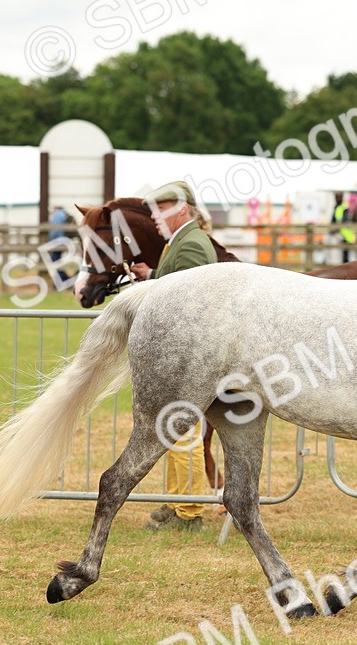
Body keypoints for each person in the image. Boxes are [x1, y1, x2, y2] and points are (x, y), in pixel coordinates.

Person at [136, 180, 219, 531]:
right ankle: (176, 502)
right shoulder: (182, 242)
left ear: (181, 210)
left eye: (160, 209)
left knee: (183, 433)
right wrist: (152, 277)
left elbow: (189, 302)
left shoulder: (193, 245)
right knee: (174, 430)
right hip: (181, 353)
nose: (154, 217)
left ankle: (189, 512)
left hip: (188, 354)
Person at [47, 205, 73, 283]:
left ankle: (63, 279)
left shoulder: (56, 215)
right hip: (61, 240)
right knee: (57, 260)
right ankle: (64, 278)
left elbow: (54, 231)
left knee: (55, 260)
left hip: (56, 240)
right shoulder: (63, 214)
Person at [333, 192, 355, 263]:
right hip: (339, 232)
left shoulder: (345, 207)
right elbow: (333, 219)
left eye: (338, 197)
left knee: (346, 254)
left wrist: (336, 228)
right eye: (336, 197)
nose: (337, 199)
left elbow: (344, 220)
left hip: (345, 233)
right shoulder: (336, 207)